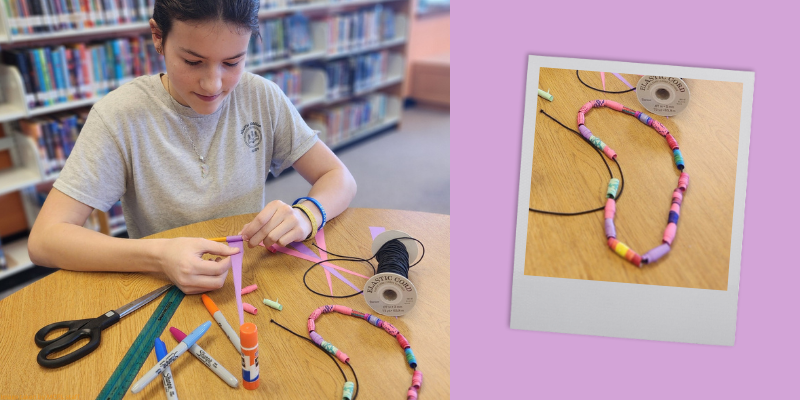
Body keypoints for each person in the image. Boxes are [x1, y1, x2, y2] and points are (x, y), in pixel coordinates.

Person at [27, 0, 357, 294]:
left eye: (232, 62)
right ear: (158, 37)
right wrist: (158, 257)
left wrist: (307, 214)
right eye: (193, 61)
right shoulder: (120, 116)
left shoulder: (262, 96)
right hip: (163, 288)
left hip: (248, 280)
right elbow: (45, 239)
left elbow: (338, 176)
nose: (213, 84)